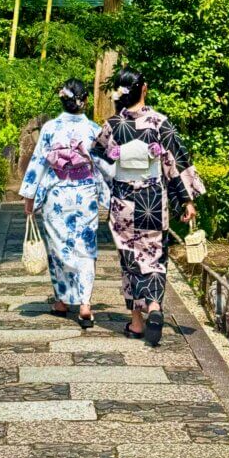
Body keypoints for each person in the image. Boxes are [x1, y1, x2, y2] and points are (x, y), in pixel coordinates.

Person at [92, 68, 205, 346]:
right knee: (153, 255)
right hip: (152, 199)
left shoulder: (112, 125)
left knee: (130, 258)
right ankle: (154, 305)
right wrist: (186, 200)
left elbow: (98, 157)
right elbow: (175, 163)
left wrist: (116, 172)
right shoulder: (159, 123)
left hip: (123, 202)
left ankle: (137, 322)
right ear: (144, 88)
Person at [19, 78, 111, 329]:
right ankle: (85, 305)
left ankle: (61, 302)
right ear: (85, 101)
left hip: (56, 195)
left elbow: (38, 163)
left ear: (63, 99)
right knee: (85, 248)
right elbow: (105, 166)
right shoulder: (93, 130)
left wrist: (29, 198)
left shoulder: (50, 128)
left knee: (58, 248)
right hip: (85, 196)